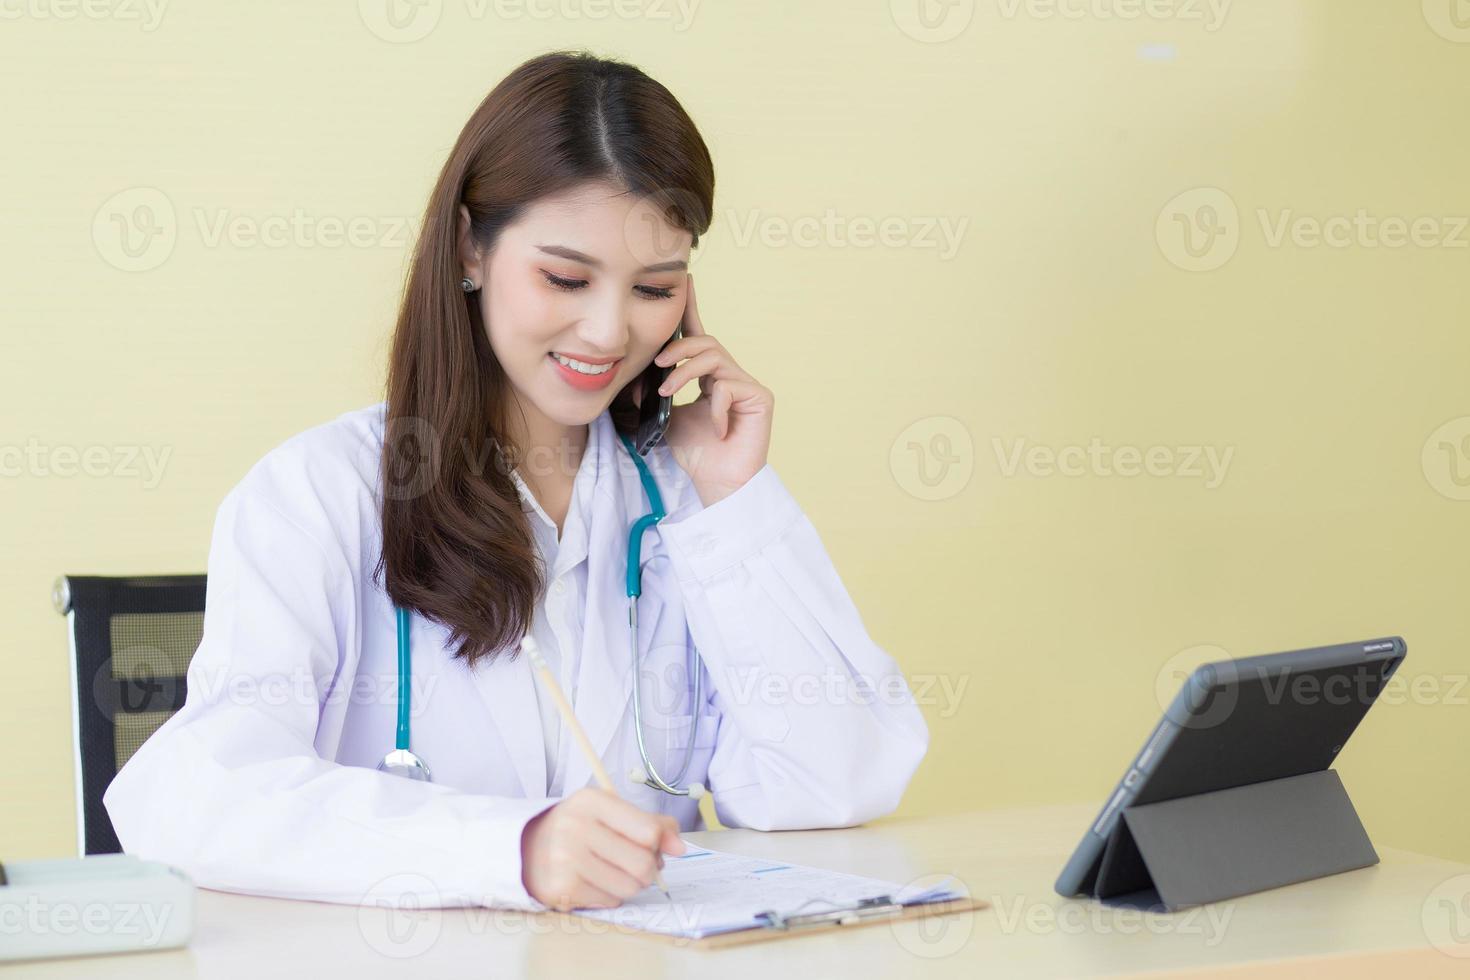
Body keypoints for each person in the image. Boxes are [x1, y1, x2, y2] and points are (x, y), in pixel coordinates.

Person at [104, 49, 928, 913]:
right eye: (565, 278)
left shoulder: (685, 499)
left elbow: (838, 782)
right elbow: (195, 799)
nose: (610, 331)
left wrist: (735, 507)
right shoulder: (318, 493)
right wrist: (511, 849)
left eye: (655, 287)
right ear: (470, 246)